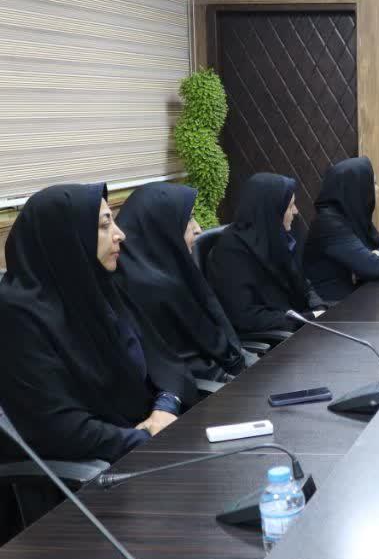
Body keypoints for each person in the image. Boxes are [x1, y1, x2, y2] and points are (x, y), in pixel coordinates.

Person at [0, 184, 196, 462]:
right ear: (66, 237)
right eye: (105, 225)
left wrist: (165, 407)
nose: (120, 234)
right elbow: (57, 428)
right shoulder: (17, 316)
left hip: (145, 441)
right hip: (93, 470)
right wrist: (146, 440)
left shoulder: (96, 288)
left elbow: (163, 360)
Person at [116, 183, 250, 382]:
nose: (198, 229)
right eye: (188, 219)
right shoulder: (153, 287)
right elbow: (192, 358)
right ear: (160, 225)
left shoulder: (164, 266)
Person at [207, 173, 325, 334]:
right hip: (276, 337)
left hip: (299, 324)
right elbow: (245, 316)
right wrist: (306, 319)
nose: (296, 211)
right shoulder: (231, 251)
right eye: (290, 206)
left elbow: (302, 282)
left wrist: (319, 308)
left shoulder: (276, 235)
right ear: (271, 210)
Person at [304, 157, 379, 300]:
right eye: (373, 183)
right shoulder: (328, 223)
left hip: (357, 297)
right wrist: (369, 262)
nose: (377, 188)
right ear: (356, 188)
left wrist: (375, 256)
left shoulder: (354, 216)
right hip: (332, 307)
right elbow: (373, 267)